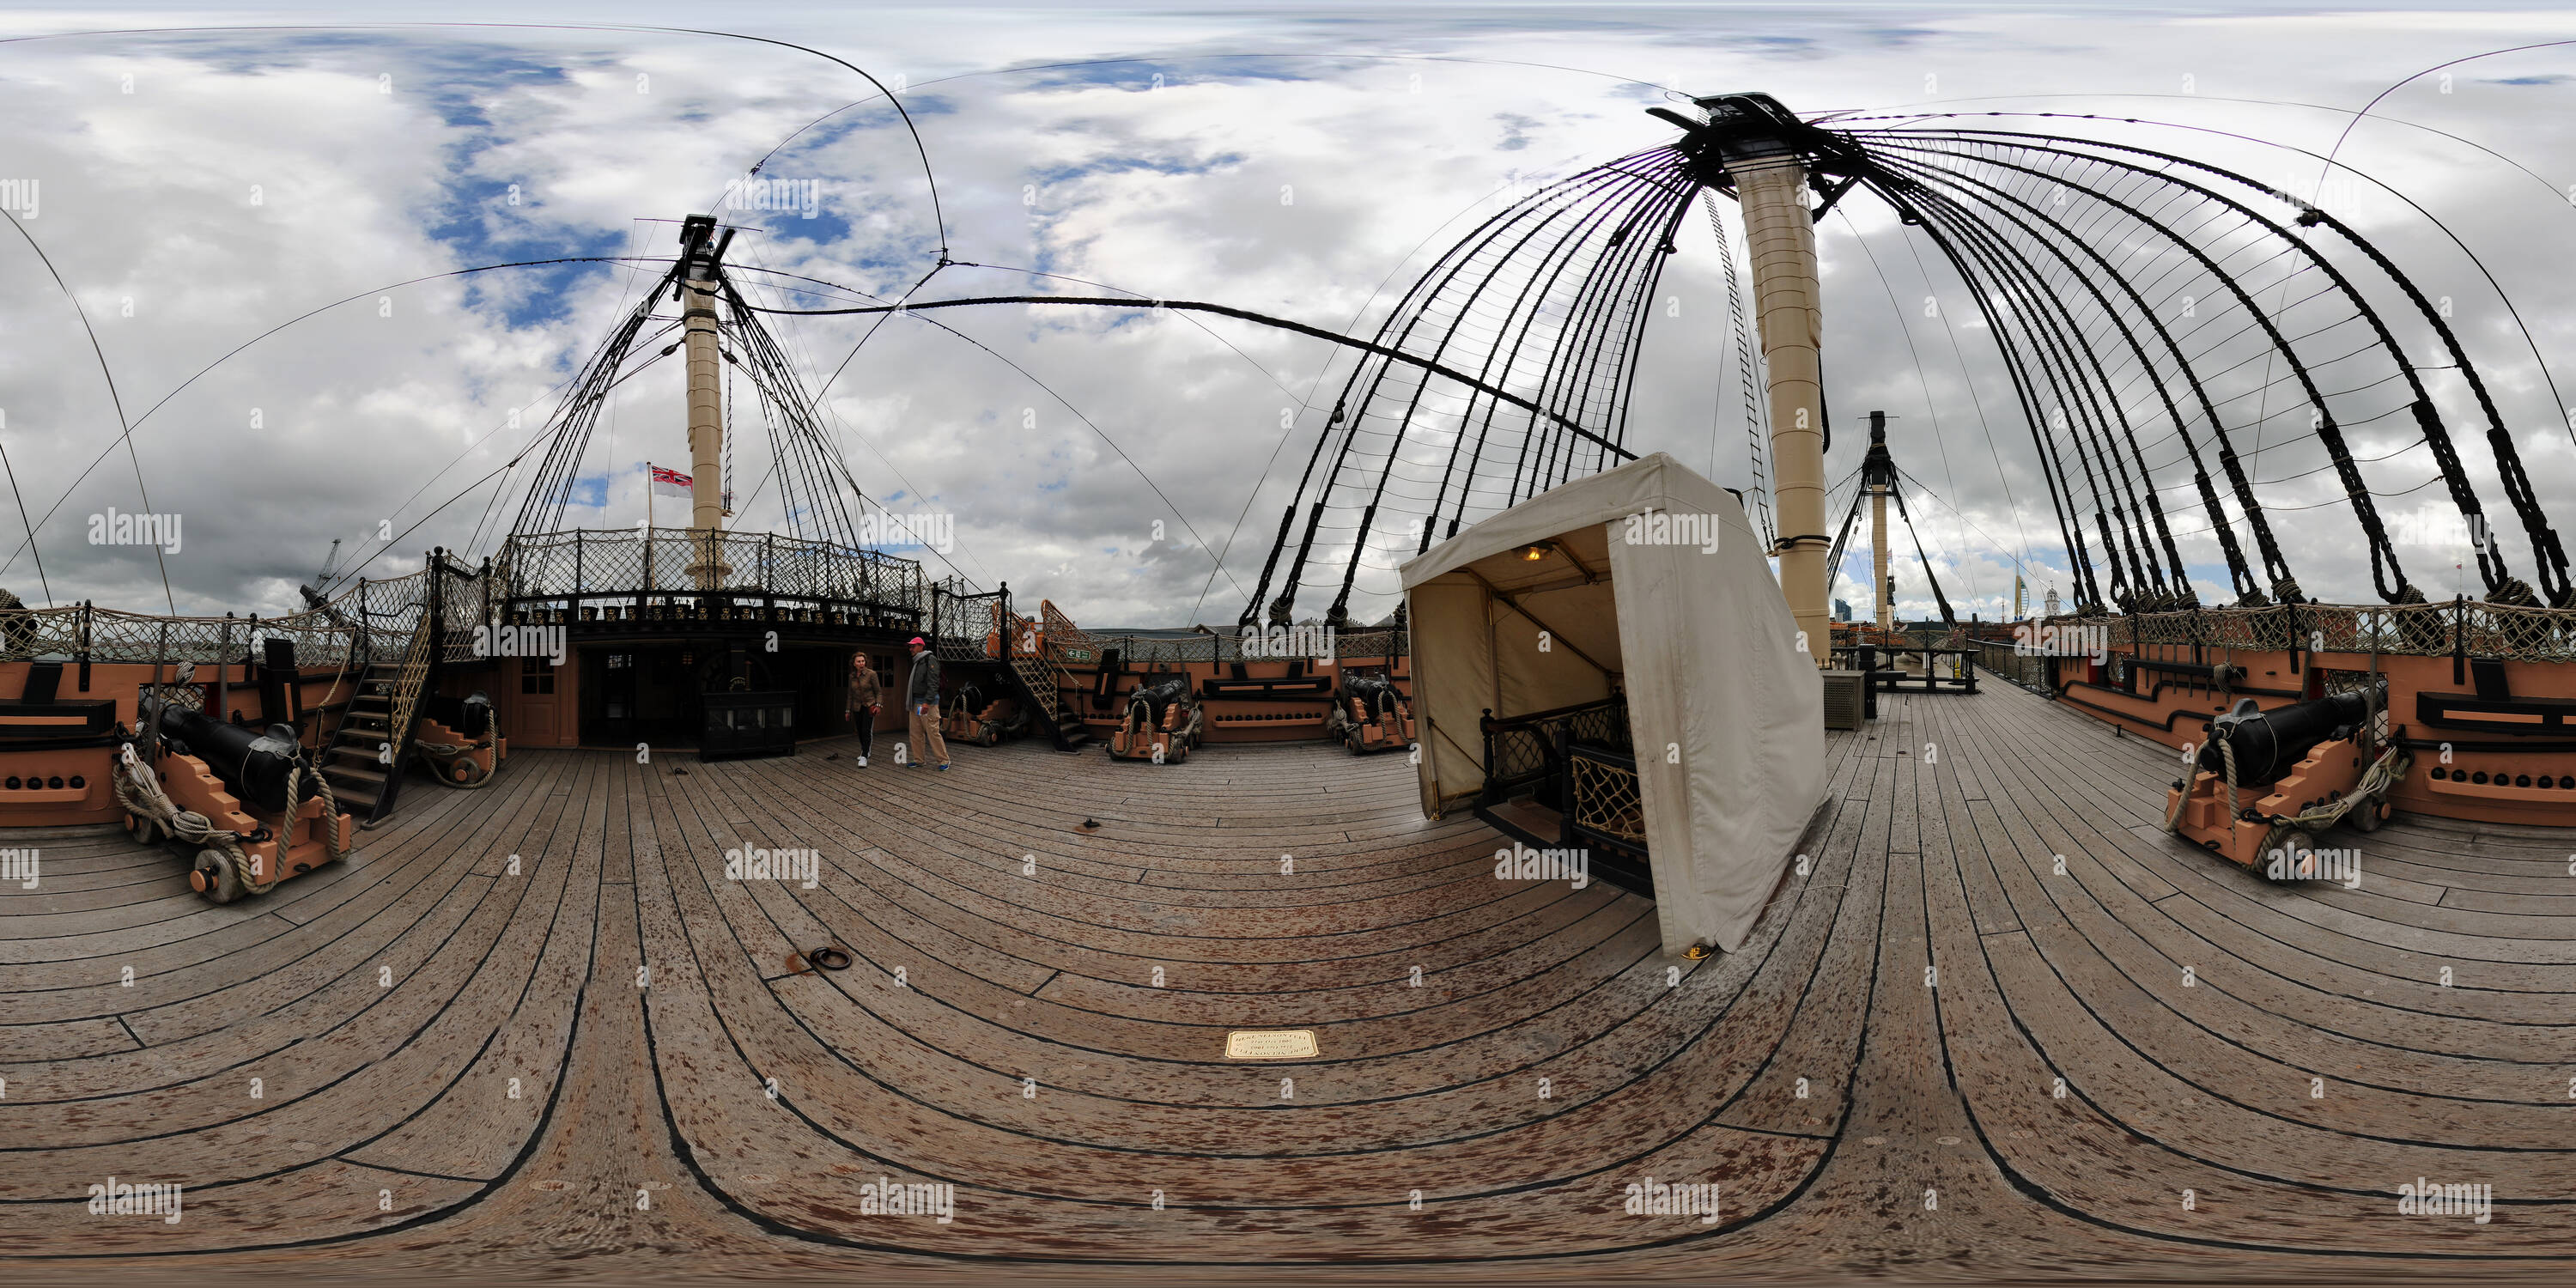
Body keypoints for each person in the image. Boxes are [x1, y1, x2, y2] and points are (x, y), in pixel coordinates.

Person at [904, 636, 951, 770]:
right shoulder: (917, 661)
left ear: (921, 646)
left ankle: (944, 761)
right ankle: (919, 760)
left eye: (913, 646)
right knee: (915, 732)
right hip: (915, 703)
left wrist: (927, 702)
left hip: (927, 704)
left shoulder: (930, 659)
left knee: (932, 732)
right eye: (910, 646)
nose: (910, 649)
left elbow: (933, 683)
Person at [847, 652, 882, 767]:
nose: (861, 663)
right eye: (859, 661)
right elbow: (850, 695)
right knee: (860, 731)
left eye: (863, 661)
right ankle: (865, 750)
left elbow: (878, 692)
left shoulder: (872, 674)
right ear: (854, 663)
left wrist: (878, 705)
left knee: (866, 731)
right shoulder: (851, 676)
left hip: (869, 706)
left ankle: (865, 756)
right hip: (857, 707)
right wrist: (847, 710)